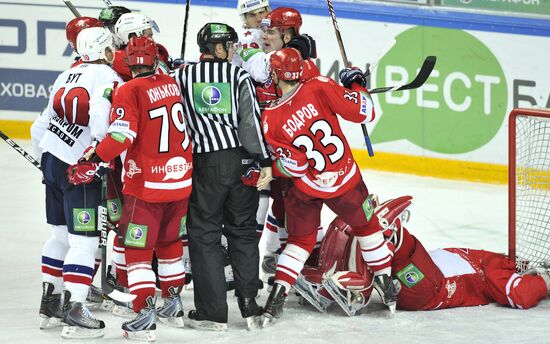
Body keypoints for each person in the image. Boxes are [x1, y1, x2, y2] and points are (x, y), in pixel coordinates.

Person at [68, 36, 192, 342]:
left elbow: (121, 137)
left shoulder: (129, 90)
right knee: (170, 242)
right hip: (182, 181)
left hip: (147, 183)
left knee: (137, 249)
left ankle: (144, 314)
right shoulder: (172, 82)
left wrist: (94, 158)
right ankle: (173, 303)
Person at [261, 48, 395, 326]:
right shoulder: (320, 86)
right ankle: (386, 284)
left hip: (307, 188)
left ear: (276, 75)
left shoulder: (270, 118)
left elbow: (294, 166)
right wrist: (356, 83)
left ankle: (276, 297)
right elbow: (365, 111)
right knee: (367, 226)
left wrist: (272, 171)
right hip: (345, 181)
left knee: (299, 242)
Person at [172, 22, 272, 331]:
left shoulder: (181, 76)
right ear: (218, 48)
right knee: (242, 231)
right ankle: (249, 304)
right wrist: (264, 159)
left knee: (204, 235)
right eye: (229, 46)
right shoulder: (238, 75)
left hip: (205, 164)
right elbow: (249, 123)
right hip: (241, 161)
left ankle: (213, 312)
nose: (233, 51)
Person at [298, 195, 550, 315]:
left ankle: (358, 291)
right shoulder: (489, 260)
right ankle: (326, 281)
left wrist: (545, 280)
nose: (523, 262)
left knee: (386, 230)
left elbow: (520, 295)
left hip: (432, 290)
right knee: (357, 222)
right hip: (421, 282)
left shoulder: (494, 269)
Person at [31, 27, 122, 339]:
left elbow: (40, 124)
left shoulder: (67, 74)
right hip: (80, 167)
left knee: (58, 235)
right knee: (83, 242)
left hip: (52, 160)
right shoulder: (108, 77)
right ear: (104, 50)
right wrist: (99, 154)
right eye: (111, 47)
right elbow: (99, 115)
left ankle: (50, 303)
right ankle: (75, 311)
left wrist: (43, 159)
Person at [232, 0, 271, 67]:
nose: (259, 19)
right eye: (252, 15)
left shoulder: (271, 29)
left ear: (268, 11)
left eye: (261, 12)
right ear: (244, 18)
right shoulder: (248, 38)